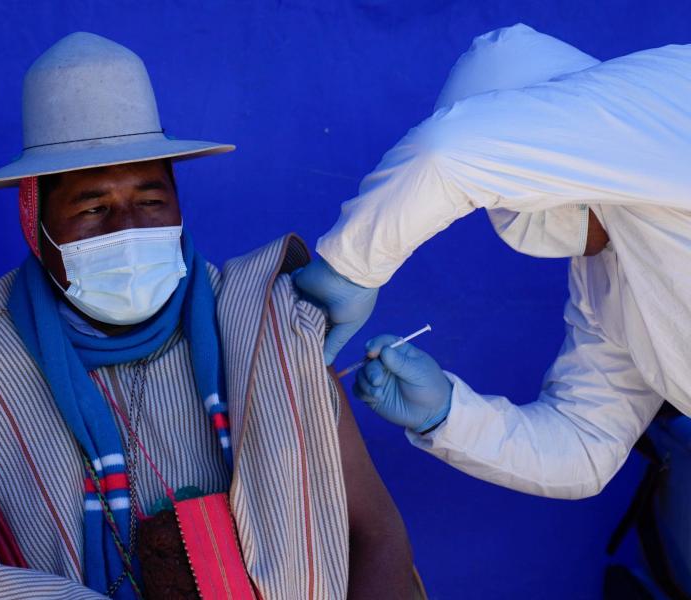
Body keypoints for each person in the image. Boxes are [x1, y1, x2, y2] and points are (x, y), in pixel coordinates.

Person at [0, 32, 416, 598]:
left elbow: (375, 534)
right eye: (93, 208)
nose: (130, 228)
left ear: (180, 206)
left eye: (151, 198)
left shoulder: (263, 329)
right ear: (36, 221)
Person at [295, 24, 691, 499]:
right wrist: (447, 415)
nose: (513, 218)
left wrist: (349, 268)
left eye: (514, 186)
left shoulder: (669, 104)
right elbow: (587, 445)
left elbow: (446, 154)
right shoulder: (608, 275)